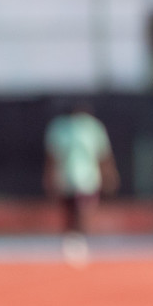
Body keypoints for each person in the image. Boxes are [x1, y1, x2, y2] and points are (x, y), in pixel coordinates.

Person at [44, 102, 118, 266]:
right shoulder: (60, 128)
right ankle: (71, 242)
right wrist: (49, 177)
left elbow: (103, 154)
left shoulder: (93, 128)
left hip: (88, 178)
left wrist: (109, 174)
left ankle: (79, 240)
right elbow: (52, 156)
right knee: (69, 211)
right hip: (65, 177)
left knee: (83, 210)